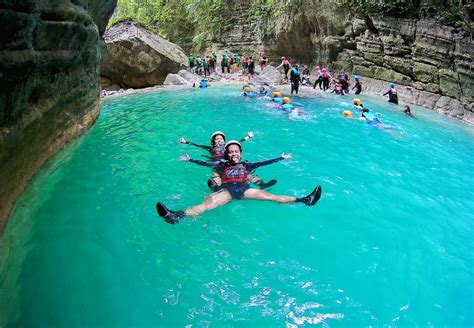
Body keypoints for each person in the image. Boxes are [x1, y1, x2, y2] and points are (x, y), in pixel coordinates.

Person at [156, 140, 323, 224]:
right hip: (227, 192)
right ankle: (175, 216)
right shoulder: (221, 165)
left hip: (245, 190)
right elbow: (206, 163)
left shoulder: (247, 165)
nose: (234, 154)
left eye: (236, 151)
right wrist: (190, 160)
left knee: (270, 196)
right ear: (227, 155)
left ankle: (305, 200)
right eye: (230, 152)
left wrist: (281, 158)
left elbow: (264, 162)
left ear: (241, 153)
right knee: (208, 204)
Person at [179, 131, 275, 190]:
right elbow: (197, 145)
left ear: (224, 141)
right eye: (217, 139)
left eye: (221, 139)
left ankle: (262, 184)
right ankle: (218, 188)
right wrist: (186, 142)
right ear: (213, 142)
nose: (219, 140)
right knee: (216, 174)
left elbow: (239, 141)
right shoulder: (210, 148)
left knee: (246, 172)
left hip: (230, 163)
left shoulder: (228, 147)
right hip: (217, 164)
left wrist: (248, 137)